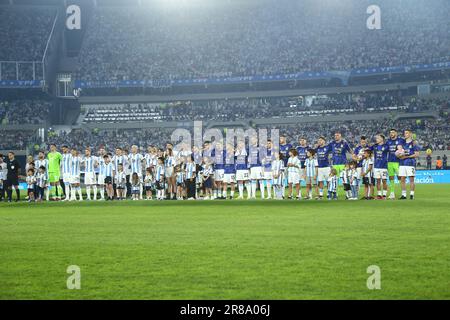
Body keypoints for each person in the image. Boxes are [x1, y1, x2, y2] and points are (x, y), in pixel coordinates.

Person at [398, 129, 420, 200]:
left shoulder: (414, 143)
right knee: (402, 179)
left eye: (407, 133)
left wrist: (406, 157)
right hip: (402, 163)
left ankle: (411, 194)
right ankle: (404, 195)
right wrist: (399, 155)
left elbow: (417, 154)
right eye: (404, 133)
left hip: (410, 163)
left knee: (411, 180)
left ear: (410, 134)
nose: (405, 134)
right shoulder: (402, 142)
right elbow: (399, 152)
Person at [386, 129, 405, 199]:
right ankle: (392, 193)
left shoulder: (400, 140)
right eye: (390, 133)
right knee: (391, 178)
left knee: (400, 177)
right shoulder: (388, 141)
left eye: (393, 132)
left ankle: (403, 193)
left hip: (398, 162)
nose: (391, 134)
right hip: (390, 162)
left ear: (396, 133)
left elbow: (404, 147)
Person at [373, 134, 389, 200]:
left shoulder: (386, 146)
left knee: (384, 181)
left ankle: (384, 195)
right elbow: (367, 149)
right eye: (376, 138)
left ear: (382, 139)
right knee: (378, 181)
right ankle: (379, 195)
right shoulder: (374, 146)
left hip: (384, 166)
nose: (376, 139)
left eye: (378, 138)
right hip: (376, 166)